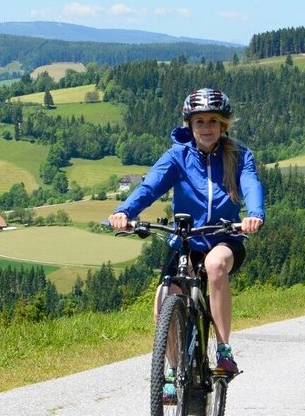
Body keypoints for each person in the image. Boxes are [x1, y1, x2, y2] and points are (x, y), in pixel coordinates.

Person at [109, 87, 265, 378]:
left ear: (223, 125)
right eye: (200, 121)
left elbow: (251, 185)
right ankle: (172, 370)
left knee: (214, 265)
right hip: (186, 239)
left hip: (225, 236)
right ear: (189, 125)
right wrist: (124, 212)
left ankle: (224, 351)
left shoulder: (240, 156)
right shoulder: (177, 156)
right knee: (165, 295)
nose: (206, 127)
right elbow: (150, 186)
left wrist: (254, 215)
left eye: (212, 121)